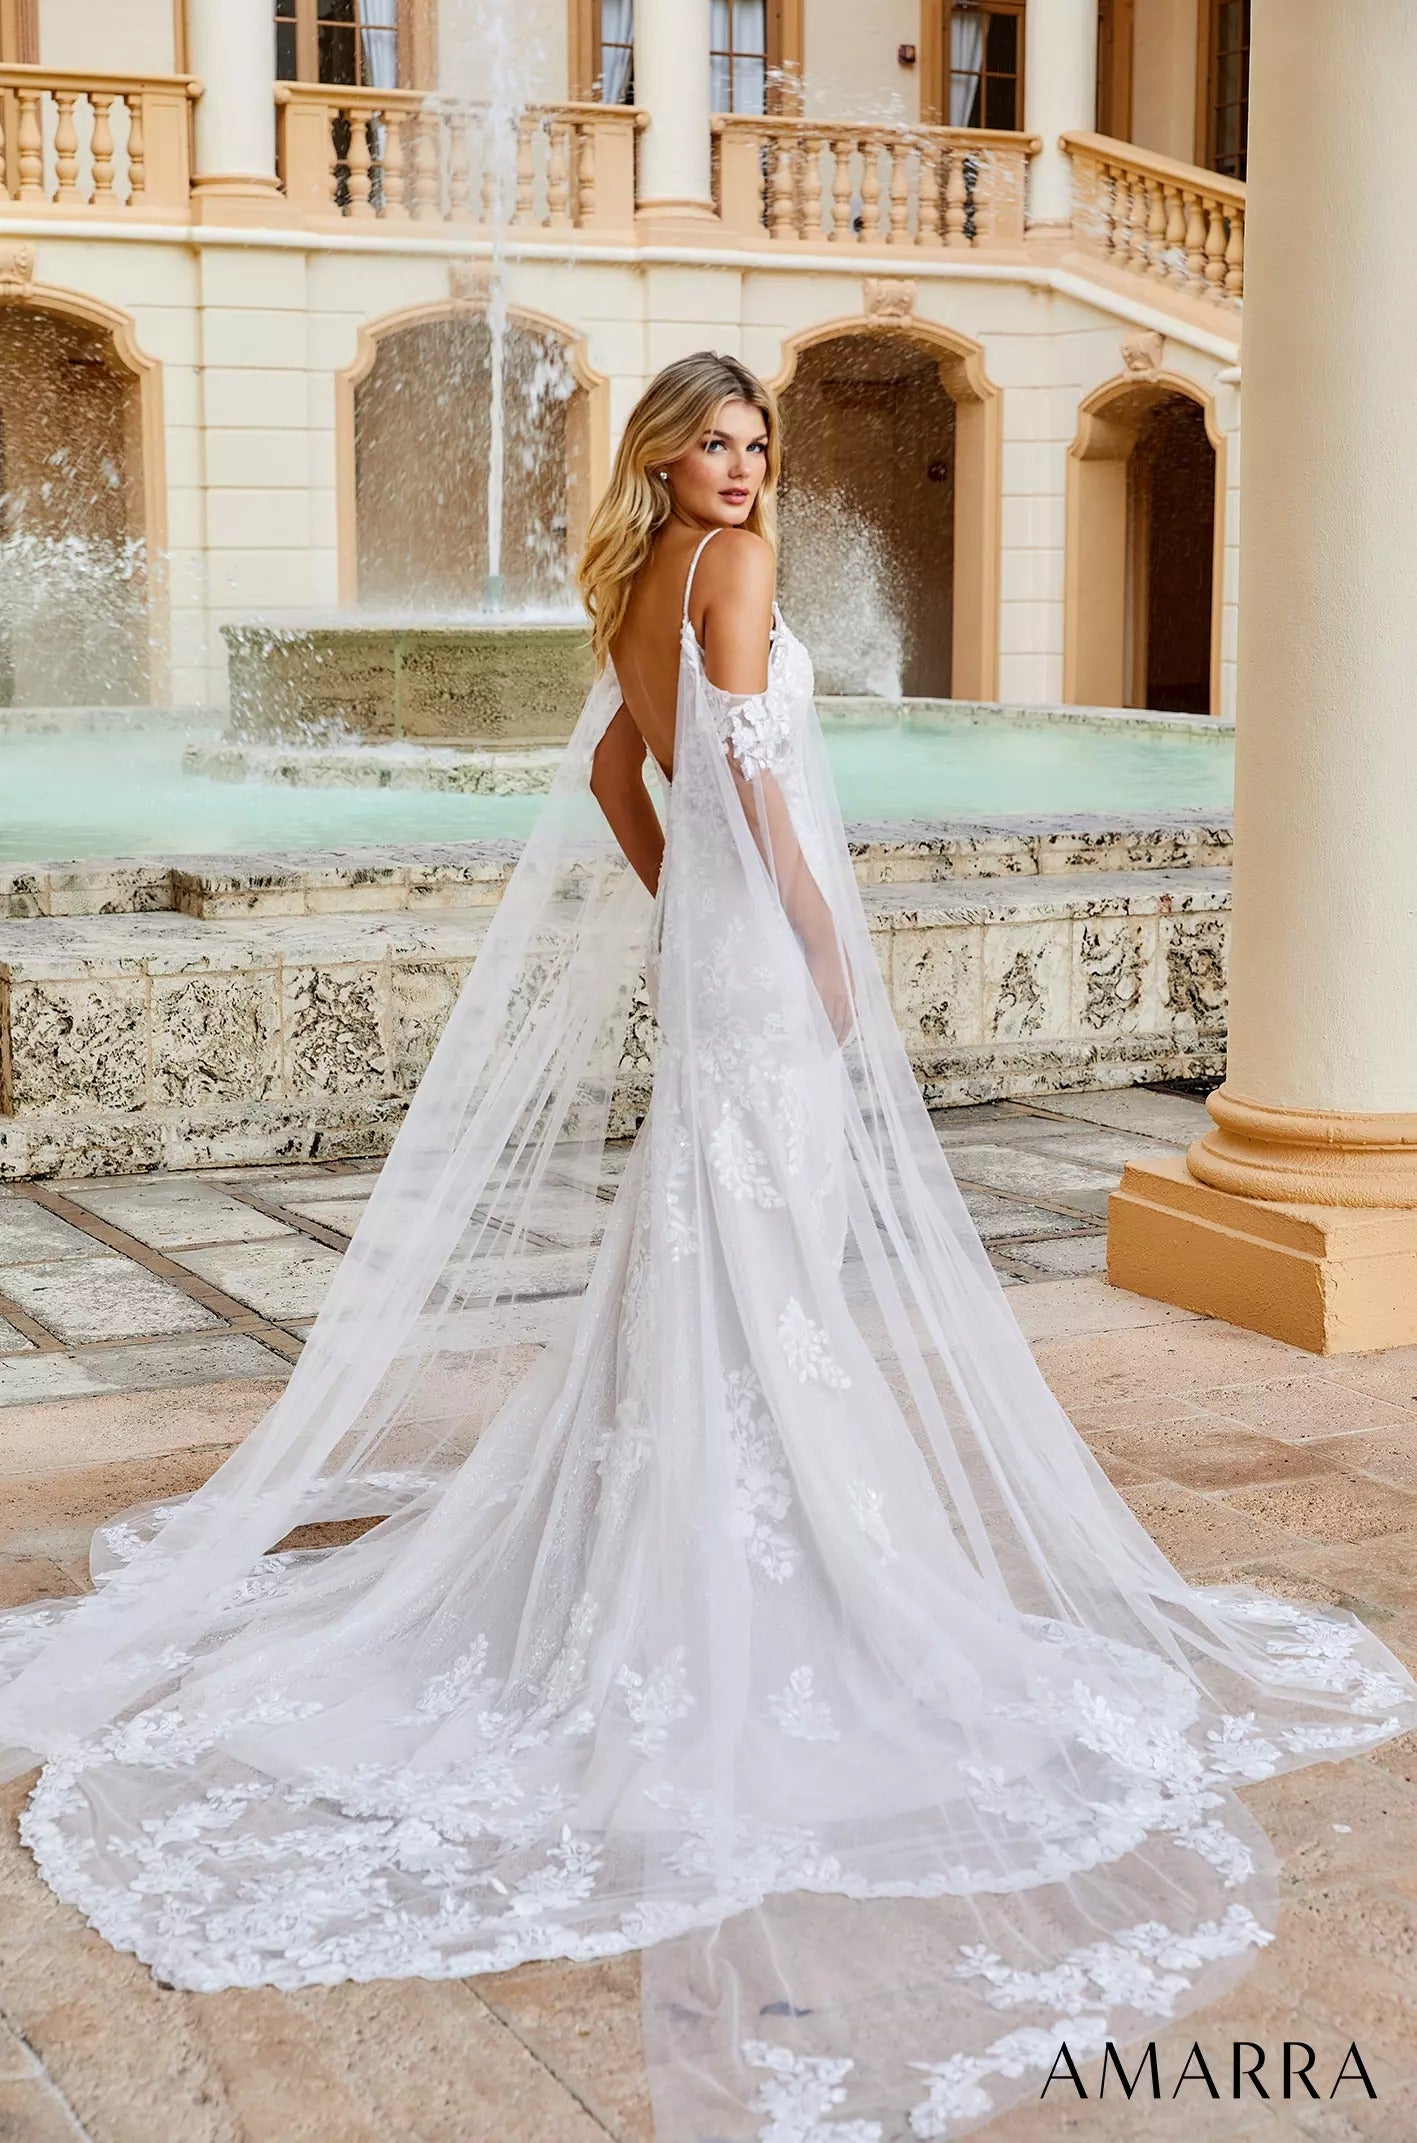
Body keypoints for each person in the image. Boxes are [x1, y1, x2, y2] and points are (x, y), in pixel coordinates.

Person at [0, 351, 1411, 2141]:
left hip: (708, 960)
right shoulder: (728, 573)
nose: (742, 472)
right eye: (712, 446)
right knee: (771, 1250)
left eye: (757, 446)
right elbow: (747, 771)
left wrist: (698, 913)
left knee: (723, 1247)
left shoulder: (639, 579)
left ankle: (693, 1518)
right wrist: (811, 930)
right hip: (760, 966)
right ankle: (786, 1552)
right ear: (661, 460)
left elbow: (614, 773)